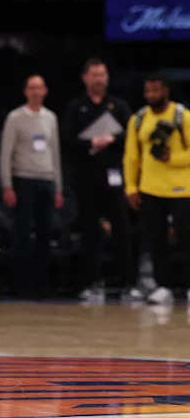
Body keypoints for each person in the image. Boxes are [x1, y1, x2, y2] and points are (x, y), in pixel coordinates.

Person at [62, 58, 140, 303]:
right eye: (94, 75)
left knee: (122, 229)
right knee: (89, 232)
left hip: (115, 175)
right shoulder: (77, 107)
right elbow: (68, 140)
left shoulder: (118, 105)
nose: (99, 79)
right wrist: (90, 143)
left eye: (103, 75)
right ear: (85, 78)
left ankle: (128, 283)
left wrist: (111, 140)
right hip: (87, 176)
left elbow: (131, 135)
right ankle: (90, 283)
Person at [123, 73, 190, 305]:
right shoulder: (138, 119)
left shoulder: (183, 116)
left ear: (165, 91)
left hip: (183, 189)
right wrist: (131, 187)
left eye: (156, 90)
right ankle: (164, 286)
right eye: (148, 91)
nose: (152, 95)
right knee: (156, 239)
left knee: (186, 238)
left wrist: (173, 158)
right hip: (150, 188)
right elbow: (131, 157)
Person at [0, 74, 64, 298]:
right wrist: (7, 185)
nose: (36, 92)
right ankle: (20, 284)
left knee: (45, 233)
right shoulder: (15, 117)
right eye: (31, 88)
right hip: (23, 179)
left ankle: (41, 283)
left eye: (40, 88)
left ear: (45, 91)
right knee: (22, 232)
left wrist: (58, 187)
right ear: (26, 92)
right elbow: (5, 154)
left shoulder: (51, 118)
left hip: (46, 179)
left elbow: (55, 152)